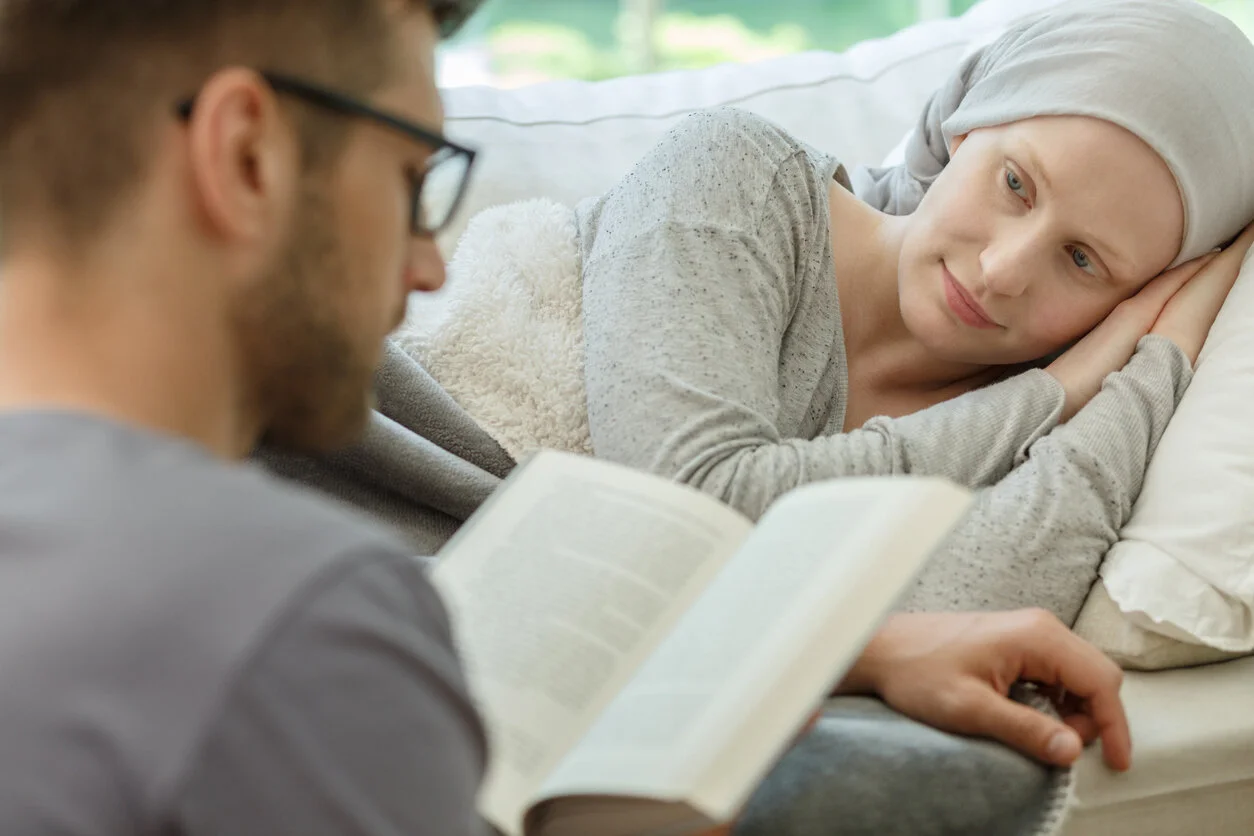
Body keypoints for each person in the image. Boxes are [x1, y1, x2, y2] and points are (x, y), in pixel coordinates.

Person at [0, 2, 1130, 836]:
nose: (431, 265)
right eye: (412, 179)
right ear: (245, 155)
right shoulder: (300, 622)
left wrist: (857, 648)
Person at [566, 0, 1254, 629]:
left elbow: (979, 608)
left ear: (1135, 298)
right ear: (966, 127)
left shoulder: (1038, 451)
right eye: (1016, 184)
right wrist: (1054, 392)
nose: (1001, 272)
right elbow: (677, 525)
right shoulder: (735, 175)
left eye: (1083, 260)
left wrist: (1151, 359)